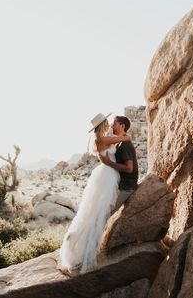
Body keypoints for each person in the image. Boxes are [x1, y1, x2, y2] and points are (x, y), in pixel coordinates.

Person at [58, 113, 131, 275]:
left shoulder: (103, 138)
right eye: (107, 122)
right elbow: (126, 139)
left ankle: (78, 243)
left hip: (106, 175)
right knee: (98, 214)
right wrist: (123, 135)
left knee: (95, 213)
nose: (109, 124)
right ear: (102, 125)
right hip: (107, 176)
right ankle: (81, 251)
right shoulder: (101, 139)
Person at [99, 116, 138, 213]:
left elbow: (129, 168)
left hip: (126, 187)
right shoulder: (119, 143)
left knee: (105, 213)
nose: (112, 126)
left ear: (122, 126)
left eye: (114, 124)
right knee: (102, 211)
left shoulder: (125, 145)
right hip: (119, 184)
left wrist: (109, 163)